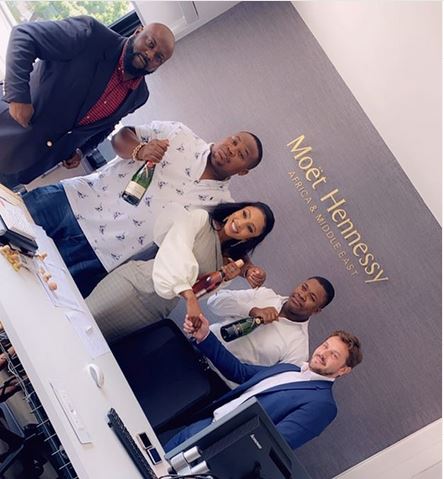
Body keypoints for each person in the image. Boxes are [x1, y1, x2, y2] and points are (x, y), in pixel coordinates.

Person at [22, 121, 265, 297]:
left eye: (241, 154)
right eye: (234, 140)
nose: (231, 149)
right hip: (71, 201)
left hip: (100, 255)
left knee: (32, 292)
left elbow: (230, 239)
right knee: (7, 227)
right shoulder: (180, 135)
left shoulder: (221, 204)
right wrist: (140, 150)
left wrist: (247, 269)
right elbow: (120, 136)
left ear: (243, 171)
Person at [0, 15, 175, 187]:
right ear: (138, 32)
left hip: (27, 168)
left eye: (159, 57)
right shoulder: (90, 34)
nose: (150, 55)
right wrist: (18, 96)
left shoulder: (139, 95)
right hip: (8, 131)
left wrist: (82, 150)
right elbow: (24, 36)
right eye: (150, 44)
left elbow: (107, 125)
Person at [164, 316, 362, 452]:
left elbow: (273, 442)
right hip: (203, 424)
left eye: (334, 355)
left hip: (217, 446)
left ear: (343, 370)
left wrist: (217, 451)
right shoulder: (289, 368)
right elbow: (240, 372)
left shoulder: (323, 404)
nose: (323, 353)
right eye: (325, 346)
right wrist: (205, 337)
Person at [86, 201, 275, 343]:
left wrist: (222, 277)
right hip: (134, 284)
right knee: (82, 320)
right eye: (244, 214)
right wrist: (189, 297)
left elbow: (198, 291)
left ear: (249, 239)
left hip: (156, 309)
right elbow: (176, 249)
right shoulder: (201, 218)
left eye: (249, 228)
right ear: (236, 210)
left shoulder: (227, 264)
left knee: (95, 343)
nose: (240, 223)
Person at [207, 277, 335, 386]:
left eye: (311, 297)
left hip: (218, 381)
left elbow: (269, 383)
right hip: (202, 342)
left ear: (316, 310)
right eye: (303, 287)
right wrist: (251, 310)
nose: (302, 295)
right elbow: (213, 302)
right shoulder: (265, 294)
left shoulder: (299, 349)